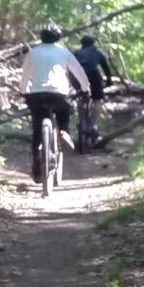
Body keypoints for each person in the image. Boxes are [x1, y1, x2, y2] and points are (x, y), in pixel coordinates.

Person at [24, 25, 88, 176]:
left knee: (37, 130)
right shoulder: (64, 53)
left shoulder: (32, 53)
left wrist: (24, 92)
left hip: (37, 95)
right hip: (59, 94)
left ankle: (36, 162)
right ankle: (63, 131)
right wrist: (85, 89)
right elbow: (79, 73)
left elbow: (25, 77)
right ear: (58, 38)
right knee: (64, 110)